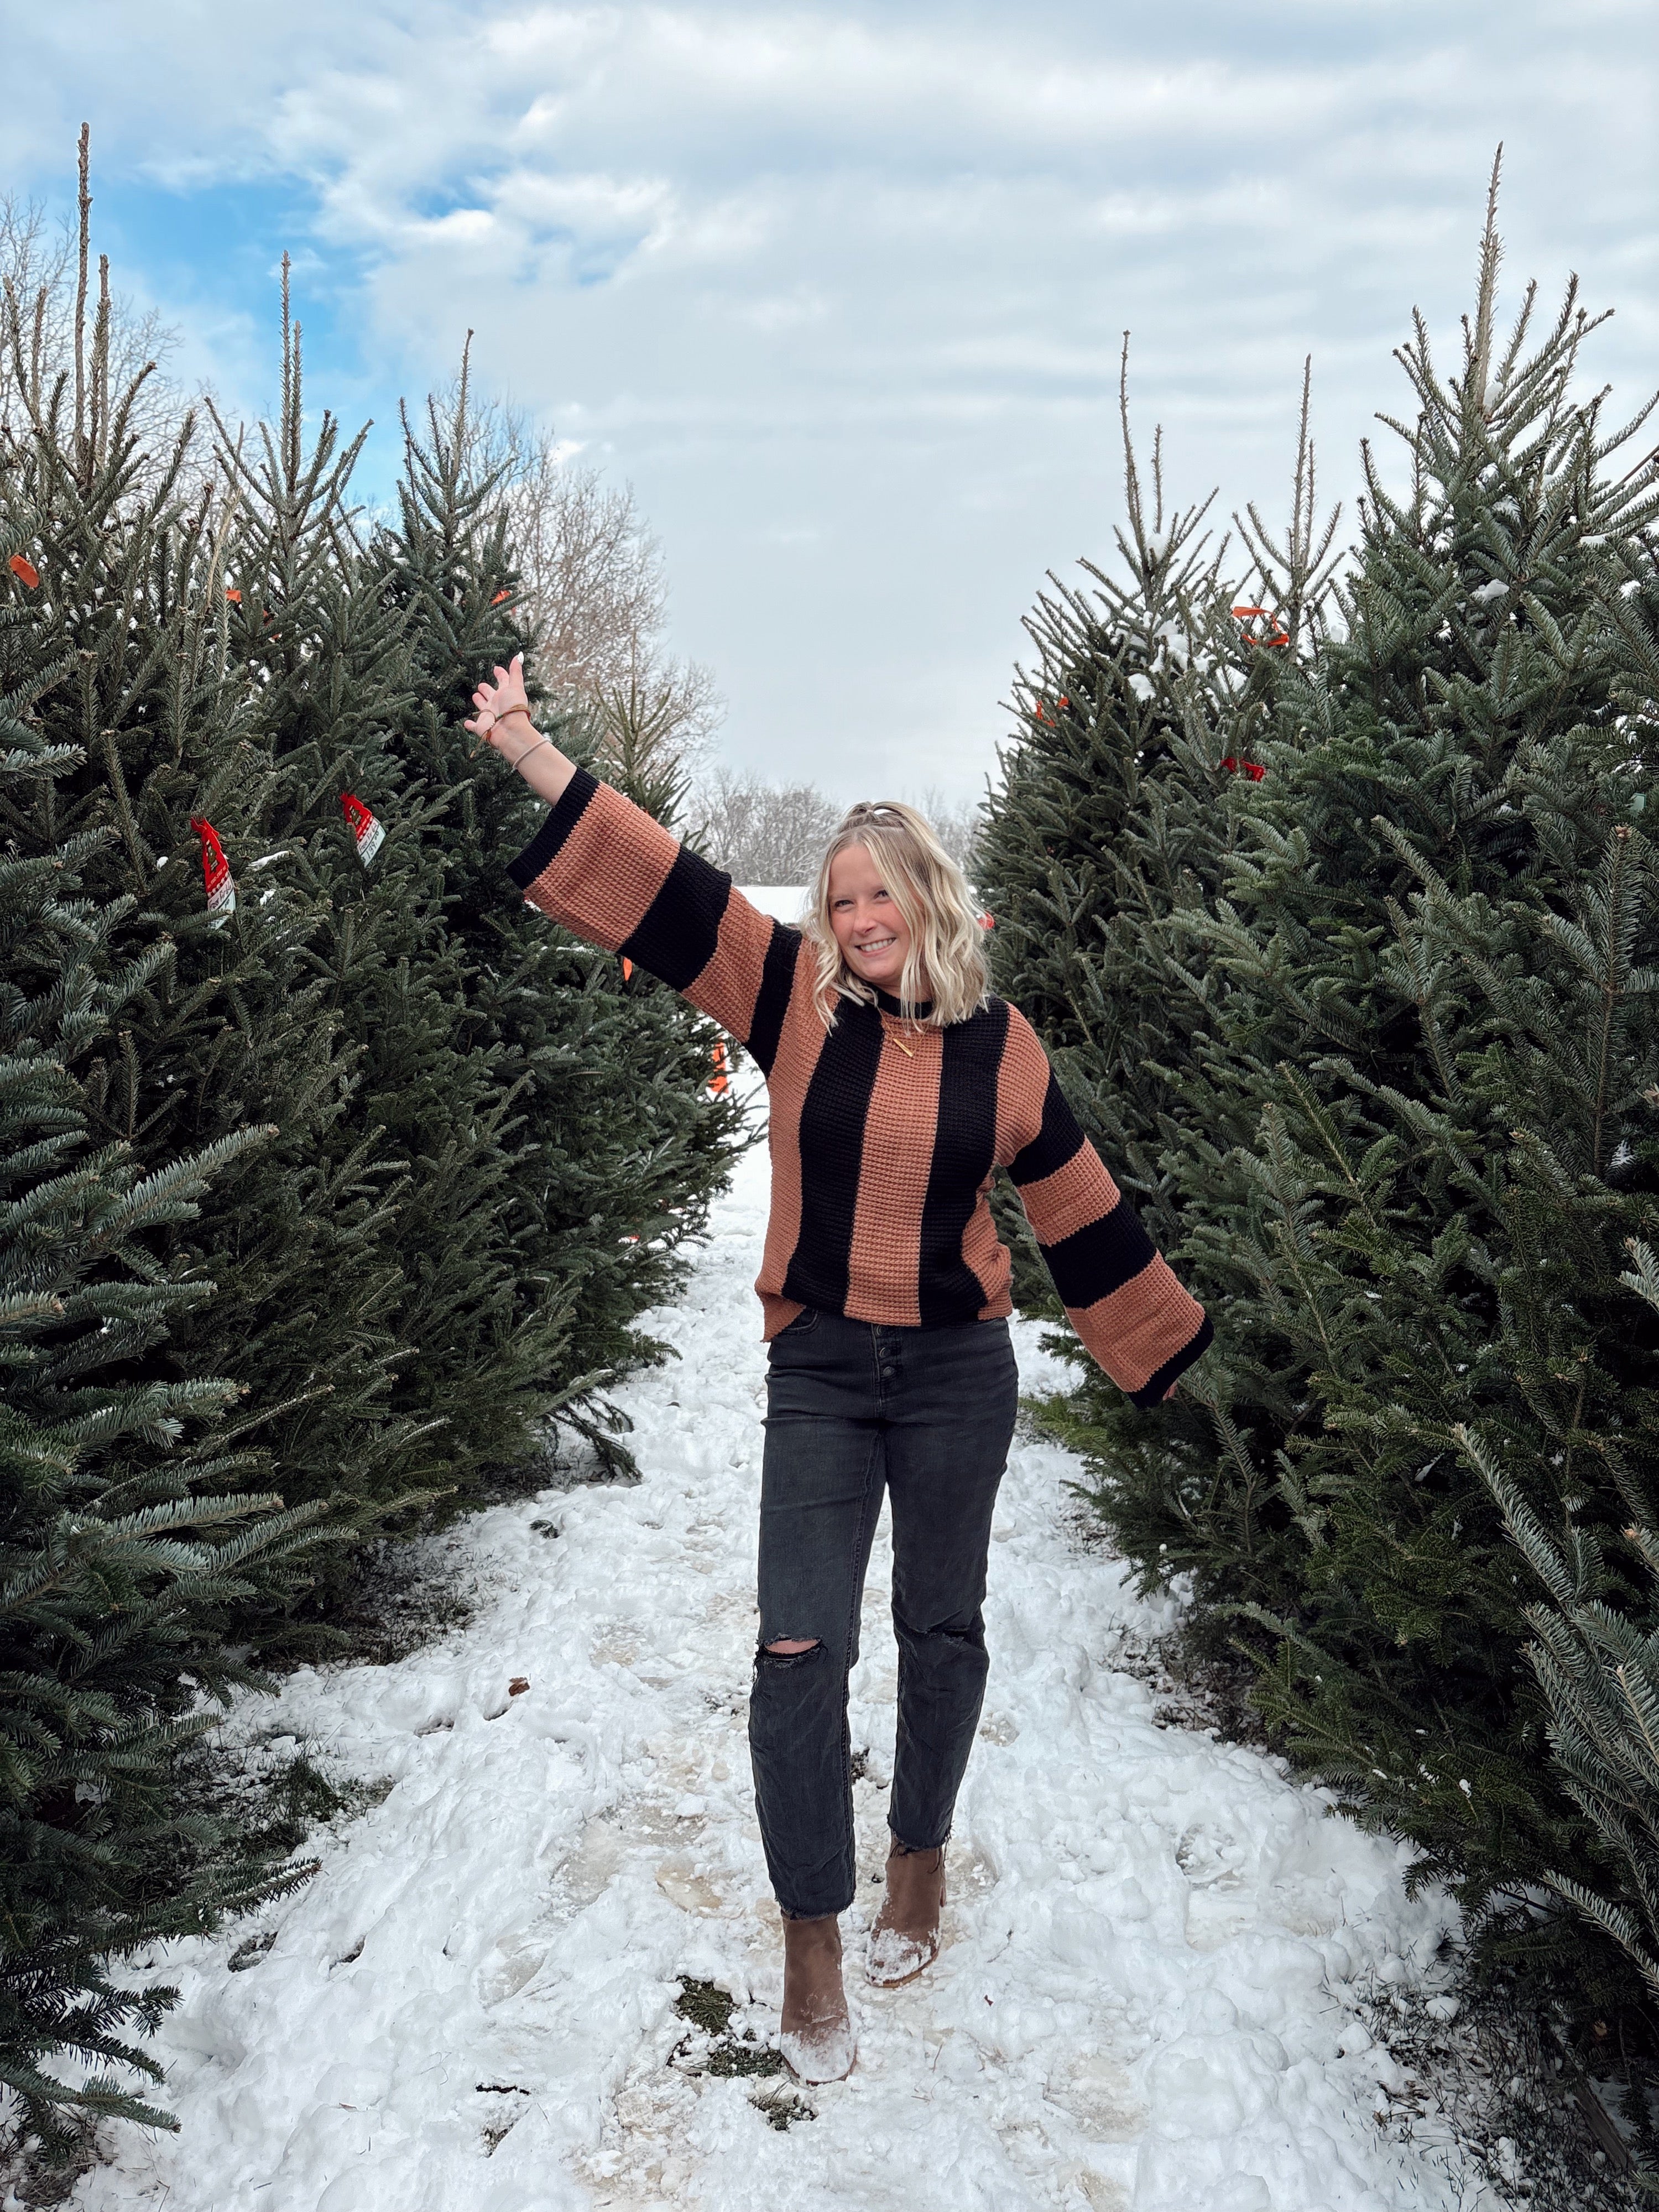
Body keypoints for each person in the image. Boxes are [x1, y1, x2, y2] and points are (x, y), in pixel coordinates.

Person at [467, 655, 1212, 2085]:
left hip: (955, 1378)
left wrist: (1170, 1358)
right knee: (797, 1645)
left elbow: (1081, 1207)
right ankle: (813, 1931)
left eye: (886, 893)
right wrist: (533, 757)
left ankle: (918, 1857)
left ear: (929, 901)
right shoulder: (789, 1000)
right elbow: (670, 891)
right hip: (816, 1368)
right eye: (844, 896)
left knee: (943, 1629)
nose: (864, 918)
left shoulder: (1004, 1048)